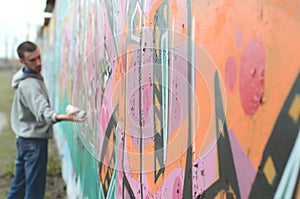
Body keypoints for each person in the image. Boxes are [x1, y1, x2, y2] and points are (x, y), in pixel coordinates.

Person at [7, 41, 86, 199]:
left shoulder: (28, 76)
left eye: (39, 57)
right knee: (34, 192)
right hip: (33, 144)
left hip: (24, 141)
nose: (39, 63)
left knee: (19, 187)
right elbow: (42, 111)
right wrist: (63, 117)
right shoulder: (30, 85)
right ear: (22, 62)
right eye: (32, 60)